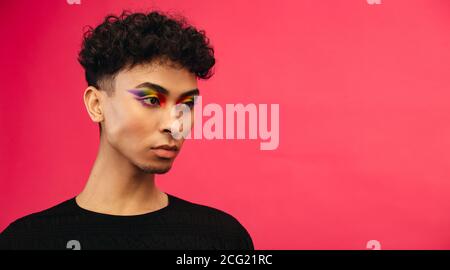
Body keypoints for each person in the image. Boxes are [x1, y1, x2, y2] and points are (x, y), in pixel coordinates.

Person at [0, 10, 253, 250]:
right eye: (152, 100)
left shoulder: (220, 239)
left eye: (187, 104)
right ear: (96, 104)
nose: (176, 125)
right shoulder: (25, 241)